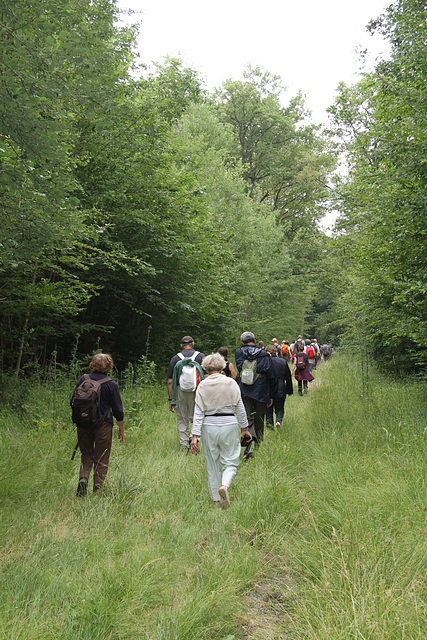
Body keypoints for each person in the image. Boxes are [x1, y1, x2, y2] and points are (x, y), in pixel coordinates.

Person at [190, 353, 251, 508]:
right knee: (231, 461)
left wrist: (194, 436)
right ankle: (225, 485)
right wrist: (244, 429)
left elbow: (198, 412)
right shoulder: (231, 383)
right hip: (229, 423)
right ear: (222, 366)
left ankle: (216, 499)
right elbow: (240, 409)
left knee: (212, 463)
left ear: (205, 368)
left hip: (209, 426)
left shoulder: (202, 385)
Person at [71, 353, 125, 497]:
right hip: (103, 425)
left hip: (83, 424)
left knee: (86, 453)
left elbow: (74, 401)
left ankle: (83, 478)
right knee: (102, 457)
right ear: (109, 366)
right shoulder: (111, 384)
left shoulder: (84, 379)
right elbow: (118, 410)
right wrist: (121, 429)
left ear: (92, 365)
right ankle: (98, 490)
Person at [235, 331, 278, 459]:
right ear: (254, 341)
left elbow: (239, 370)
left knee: (247, 418)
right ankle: (257, 445)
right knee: (259, 419)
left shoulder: (239, 353)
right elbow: (272, 376)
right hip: (261, 390)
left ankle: (247, 447)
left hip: (245, 391)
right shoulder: (264, 354)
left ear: (243, 342)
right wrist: (271, 395)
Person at [167, 336, 205, 449]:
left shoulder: (175, 358)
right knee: (196, 415)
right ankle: (195, 440)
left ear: (181, 346)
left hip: (180, 391)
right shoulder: (200, 357)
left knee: (182, 417)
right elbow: (206, 376)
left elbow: (170, 381)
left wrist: (171, 399)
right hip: (197, 391)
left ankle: (184, 445)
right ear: (193, 344)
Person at [264, 344, 293, 428]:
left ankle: (270, 427)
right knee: (280, 408)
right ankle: (278, 421)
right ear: (276, 351)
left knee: (268, 410)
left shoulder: (265, 362)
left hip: (268, 389)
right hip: (281, 388)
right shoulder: (283, 361)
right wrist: (289, 391)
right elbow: (288, 378)